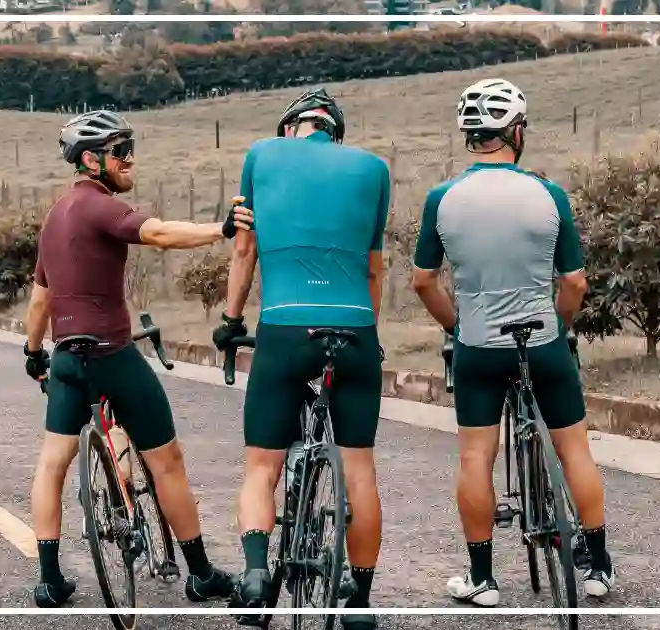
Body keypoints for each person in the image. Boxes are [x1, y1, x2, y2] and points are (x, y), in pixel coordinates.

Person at [23, 109, 253, 608]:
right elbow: (159, 234)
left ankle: (49, 581)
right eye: (120, 152)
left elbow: (40, 299)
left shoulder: (55, 216)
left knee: (52, 463)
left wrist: (33, 351)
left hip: (65, 357)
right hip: (112, 356)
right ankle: (201, 575)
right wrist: (222, 229)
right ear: (91, 160)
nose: (130, 160)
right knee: (166, 461)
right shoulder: (97, 207)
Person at [410, 78, 614, 606]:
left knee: (475, 459)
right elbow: (574, 284)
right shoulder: (549, 195)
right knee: (575, 451)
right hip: (542, 341)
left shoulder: (442, 199)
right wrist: (559, 327)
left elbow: (423, 281)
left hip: (478, 345)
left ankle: (482, 580)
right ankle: (598, 570)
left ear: (470, 136)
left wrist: (457, 327)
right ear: (516, 132)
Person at [211, 88, 388, 630]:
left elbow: (244, 250)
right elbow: (374, 268)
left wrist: (232, 321)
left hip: (286, 326)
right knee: (359, 468)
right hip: (355, 328)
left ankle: (258, 576)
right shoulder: (374, 168)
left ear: (290, 127)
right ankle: (357, 603)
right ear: (335, 132)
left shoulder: (261, 155)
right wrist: (369, 334)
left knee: (263, 466)